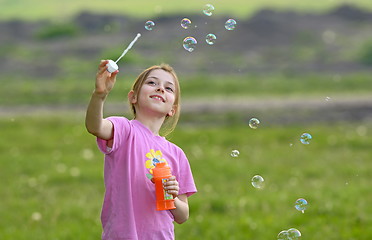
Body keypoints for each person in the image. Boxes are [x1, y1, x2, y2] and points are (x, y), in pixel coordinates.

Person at [85, 60, 197, 240]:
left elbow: (183, 215)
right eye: (152, 83)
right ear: (133, 97)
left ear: (172, 110)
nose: (160, 88)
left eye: (169, 88)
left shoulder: (177, 154)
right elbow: (95, 126)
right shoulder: (124, 130)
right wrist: (99, 95)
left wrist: (173, 197)